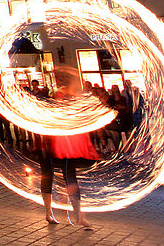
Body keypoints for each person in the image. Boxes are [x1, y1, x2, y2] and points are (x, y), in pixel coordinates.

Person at [40, 85, 99, 229]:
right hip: (49, 148)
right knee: (50, 177)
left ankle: (78, 216)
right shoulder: (51, 110)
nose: (63, 97)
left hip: (63, 148)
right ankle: (49, 213)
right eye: (61, 94)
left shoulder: (65, 111)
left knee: (69, 179)